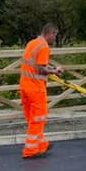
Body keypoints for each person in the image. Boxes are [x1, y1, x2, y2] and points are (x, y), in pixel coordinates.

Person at [19, 23, 64, 159]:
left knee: (32, 118)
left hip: (25, 86)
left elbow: (37, 63)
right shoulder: (44, 47)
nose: (54, 38)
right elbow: (41, 69)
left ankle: (42, 144)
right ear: (50, 33)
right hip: (36, 88)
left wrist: (50, 67)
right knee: (38, 119)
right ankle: (30, 151)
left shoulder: (32, 43)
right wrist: (55, 71)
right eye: (55, 35)